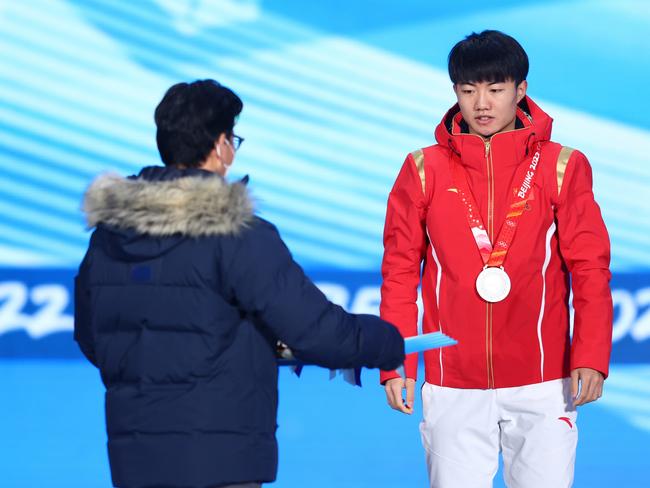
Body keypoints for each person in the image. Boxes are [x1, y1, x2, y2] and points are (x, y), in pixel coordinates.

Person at [74, 79, 405, 488]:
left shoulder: (108, 236)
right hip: (221, 459)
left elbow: (94, 338)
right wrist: (389, 342)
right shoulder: (237, 232)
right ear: (220, 147)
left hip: (135, 458)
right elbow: (313, 329)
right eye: (233, 138)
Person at [380, 30, 612, 488]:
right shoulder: (423, 168)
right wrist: (398, 361)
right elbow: (400, 270)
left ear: (520, 90)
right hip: (452, 381)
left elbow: (589, 268)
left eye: (495, 89)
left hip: (544, 380)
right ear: (455, 93)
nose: (481, 103)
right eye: (468, 91)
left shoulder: (562, 165)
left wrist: (590, 354)